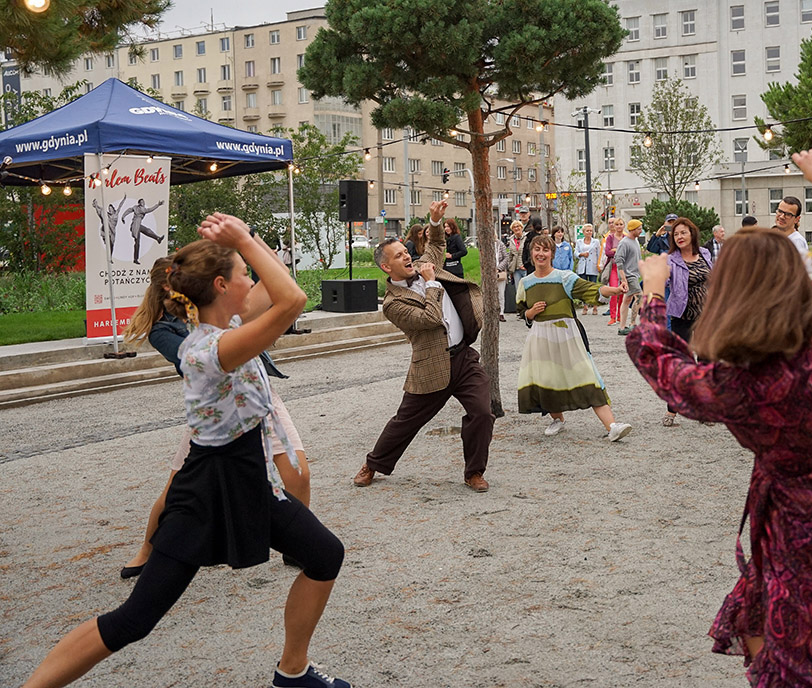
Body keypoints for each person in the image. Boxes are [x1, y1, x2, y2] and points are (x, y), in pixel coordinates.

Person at [22, 213, 349, 688]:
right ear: (222, 285)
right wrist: (240, 240)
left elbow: (280, 280)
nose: (250, 279)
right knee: (133, 620)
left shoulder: (229, 325)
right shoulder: (210, 350)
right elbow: (293, 300)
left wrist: (247, 238)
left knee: (325, 555)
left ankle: (293, 672)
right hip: (205, 492)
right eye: (243, 273)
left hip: (247, 481)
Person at [626, 149, 812, 687]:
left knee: (786, 644)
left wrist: (655, 291)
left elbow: (658, 359)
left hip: (788, 523)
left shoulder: (734, 383)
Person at [119, 257, 311, 579]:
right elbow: (195, 361)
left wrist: (246, 241)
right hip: (215, 410)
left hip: (257, 396)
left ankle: (298, 544)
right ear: (168, 286)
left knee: (299, 474)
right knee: (178, 490)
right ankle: (148, 550)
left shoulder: (223, 307)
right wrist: (238, 327)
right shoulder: (165, 329)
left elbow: (279, 277)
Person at [353, 200, 495, 493]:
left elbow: (437, 245)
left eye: (406, 252)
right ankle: (373, 463)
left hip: (463, 358)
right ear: (386, 266)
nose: (407, 256)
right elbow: (430, 318)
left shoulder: (422, 265)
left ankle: (474, 472)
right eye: (399, 255)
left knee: (482, 412)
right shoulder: (393, 304)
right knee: (405, 422)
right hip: (431, 365)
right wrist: (432, 284)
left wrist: (434, 221)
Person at [516, 234, 629, 441]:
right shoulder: (525, 283)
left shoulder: (564, 277)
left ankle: (612, 426)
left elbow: (590, 289)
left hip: (567, 336)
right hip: (540, 338)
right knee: (547, 379)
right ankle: (557, 419)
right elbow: (523, 313)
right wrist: (531, 312)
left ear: (552, 254)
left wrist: (615, 290)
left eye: (546, 250)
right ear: (531, 253)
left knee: (587, 375)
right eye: (537, 249)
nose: (541, 254)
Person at [660, 217, 713, 426]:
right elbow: (663, 279)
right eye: (676, 234)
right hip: (682, 315)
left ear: (692, 233)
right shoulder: (671, 259)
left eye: (683, 232)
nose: (679, 237)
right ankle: (672, 409)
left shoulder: (705, 253)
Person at [771, 195, 812, 276]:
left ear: (796, 219)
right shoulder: (777, 238)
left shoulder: (796, 241)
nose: (782, 216)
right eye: (780, 211)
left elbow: (797, 274)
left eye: (788, 214)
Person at [615, 218, 643, 335]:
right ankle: (632, 324)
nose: (641, 231)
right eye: (639, 229)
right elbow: (619, 260)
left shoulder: (635, 241)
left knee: (627, 300)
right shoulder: (624, 243)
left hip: (634, 275)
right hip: (628, 275)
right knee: (640, 297)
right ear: (633, 230)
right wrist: (623, 279)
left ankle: (622, 327)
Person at [121, 197, 165, 265]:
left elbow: (129, 210)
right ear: (139, 203)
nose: (143, 203)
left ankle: (157, 238)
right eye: (142, 202)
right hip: (135, 225)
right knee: (138, 242)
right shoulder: (140, 209)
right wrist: (158, 205)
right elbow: (149, 210)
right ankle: (135, 259)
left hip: (138, 225)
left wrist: (123, 217)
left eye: (143, 202)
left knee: (146, 232)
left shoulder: (138, 208)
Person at [574, 223, 602, 315]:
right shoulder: (579, 242)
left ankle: (595, 306)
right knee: (584, 287)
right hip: (583, 266)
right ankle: (585, 306)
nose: (589, 232)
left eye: (590, 231)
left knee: (593, 286)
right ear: (583, 232)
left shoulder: (596, 242)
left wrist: (599, 265)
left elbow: (599, 254)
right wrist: (581, 254)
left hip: (592, 266)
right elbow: (575, 252)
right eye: (587, 231)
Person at [601, 217, 625, 325]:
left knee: (623, 292)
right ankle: (612, 317)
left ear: (624, 226)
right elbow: (607, 252)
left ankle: (620, 316)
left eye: (621, 224)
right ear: (614, 226)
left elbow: (628, 253)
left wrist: (615, 250)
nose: (619, 226)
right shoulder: (610, 237)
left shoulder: (626, 238)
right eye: (617, 224)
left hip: (624, 267)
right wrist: (619, 251)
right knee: (614, 290)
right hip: (613, 267)